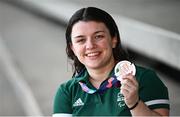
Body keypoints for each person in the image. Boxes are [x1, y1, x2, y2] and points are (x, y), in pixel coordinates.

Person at [53, 7, 170, 116]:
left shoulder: (144, 78)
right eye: (81, 40)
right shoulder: (66, 92)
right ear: (72, 47)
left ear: (114, 39)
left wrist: (135, 103)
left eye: (98, 36)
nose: (90, 46)